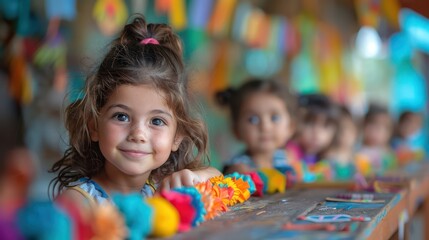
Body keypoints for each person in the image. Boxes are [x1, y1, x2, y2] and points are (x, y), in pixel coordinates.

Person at [49, 16, 220, 205]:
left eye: (156, 121)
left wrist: (195, 177)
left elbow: (220, 179)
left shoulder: (163, 188)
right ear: (94, 125)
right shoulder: (78, 202)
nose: (138, 134)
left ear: (177, 136)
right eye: (121, 117)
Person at [217, 79, 296, 174]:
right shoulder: (238, 168)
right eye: (253, 119)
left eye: (274, 118)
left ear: (290, 127)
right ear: (236, 130)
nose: (265, 127)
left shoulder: (288, 159)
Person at [286, 93, 340, 182]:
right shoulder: (290, 153)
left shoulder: (324, 157)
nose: (317, 132)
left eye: (325, 126)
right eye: (310, 123)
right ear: (295, 122)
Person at [355, 104, 397, 176]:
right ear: (363, 125)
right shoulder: (355, 151)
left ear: (389, 133)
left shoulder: (388, 154)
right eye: (372, 125)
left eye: (381, 128)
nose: (375, 132)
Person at [323, 106, 357, 181]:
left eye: (351, 132)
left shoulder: (353, 156)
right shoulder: (329, 156)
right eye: (342, 131)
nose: (347, 136)